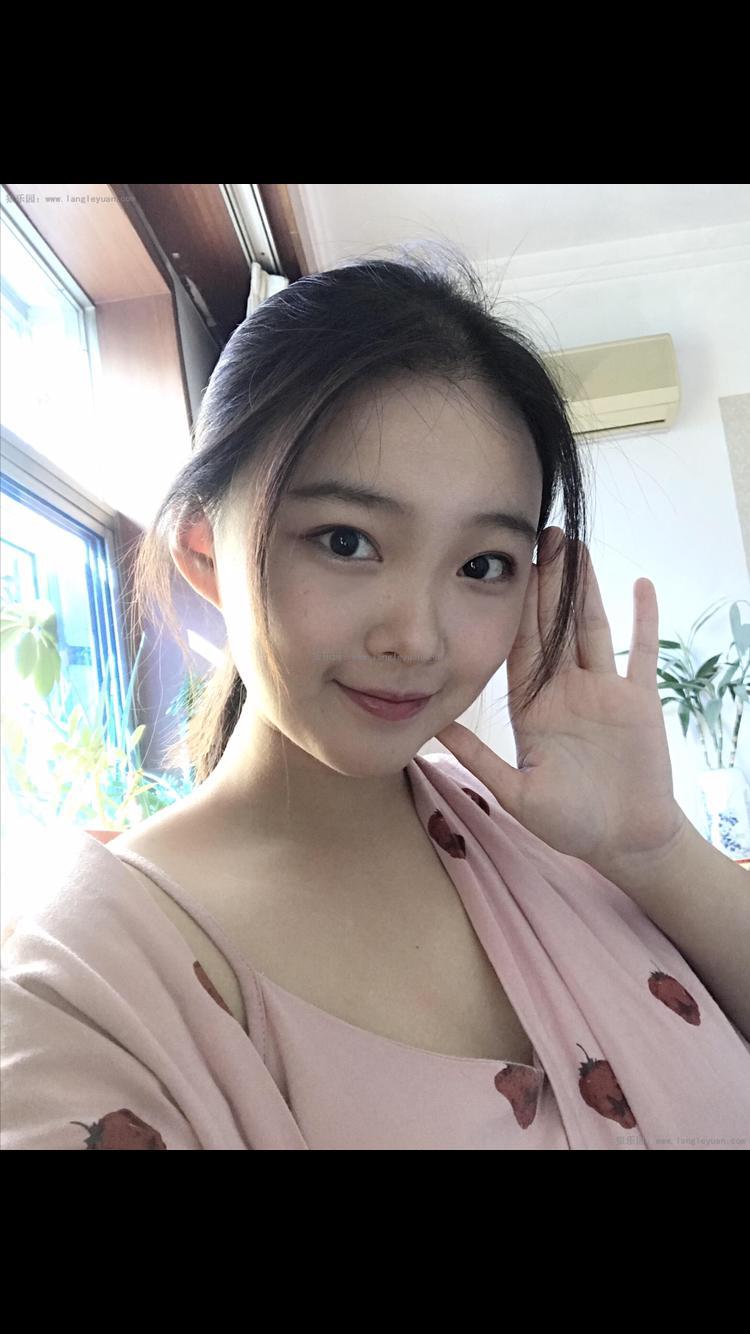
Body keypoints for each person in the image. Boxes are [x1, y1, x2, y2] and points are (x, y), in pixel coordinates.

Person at [2, 243, 749, 1150]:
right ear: (204, 552)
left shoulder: (552, 834)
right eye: (346, 541)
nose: (417, 638)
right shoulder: (88, 987)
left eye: (483, 565)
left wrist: (654, 849)